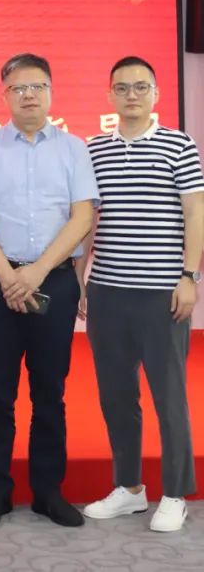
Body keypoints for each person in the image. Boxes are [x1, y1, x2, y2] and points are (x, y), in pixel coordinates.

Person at [0, 52, 98, 528]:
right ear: (4, 95)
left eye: (37, 86)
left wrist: (37, 272)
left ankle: (47, 491)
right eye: (18, 88)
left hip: (52, 281)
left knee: (49, 391)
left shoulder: (74, 149)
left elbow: (83, 216)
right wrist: (8, 276)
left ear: (51, 92)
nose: (29, 95)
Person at [79, 56, 202, 532]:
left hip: (161, 294)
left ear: (155, 94)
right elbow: (88, 221)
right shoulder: (94, 149)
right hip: (108, 292)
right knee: (116, 396)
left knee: (169, 397)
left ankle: (175, 493)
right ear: (110, 94)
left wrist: (189, 276)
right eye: (123, 87)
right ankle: (129, 489)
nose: (132, 95)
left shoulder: (178, 145)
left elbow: (195, 213)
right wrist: (82, 279)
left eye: (141, 87)